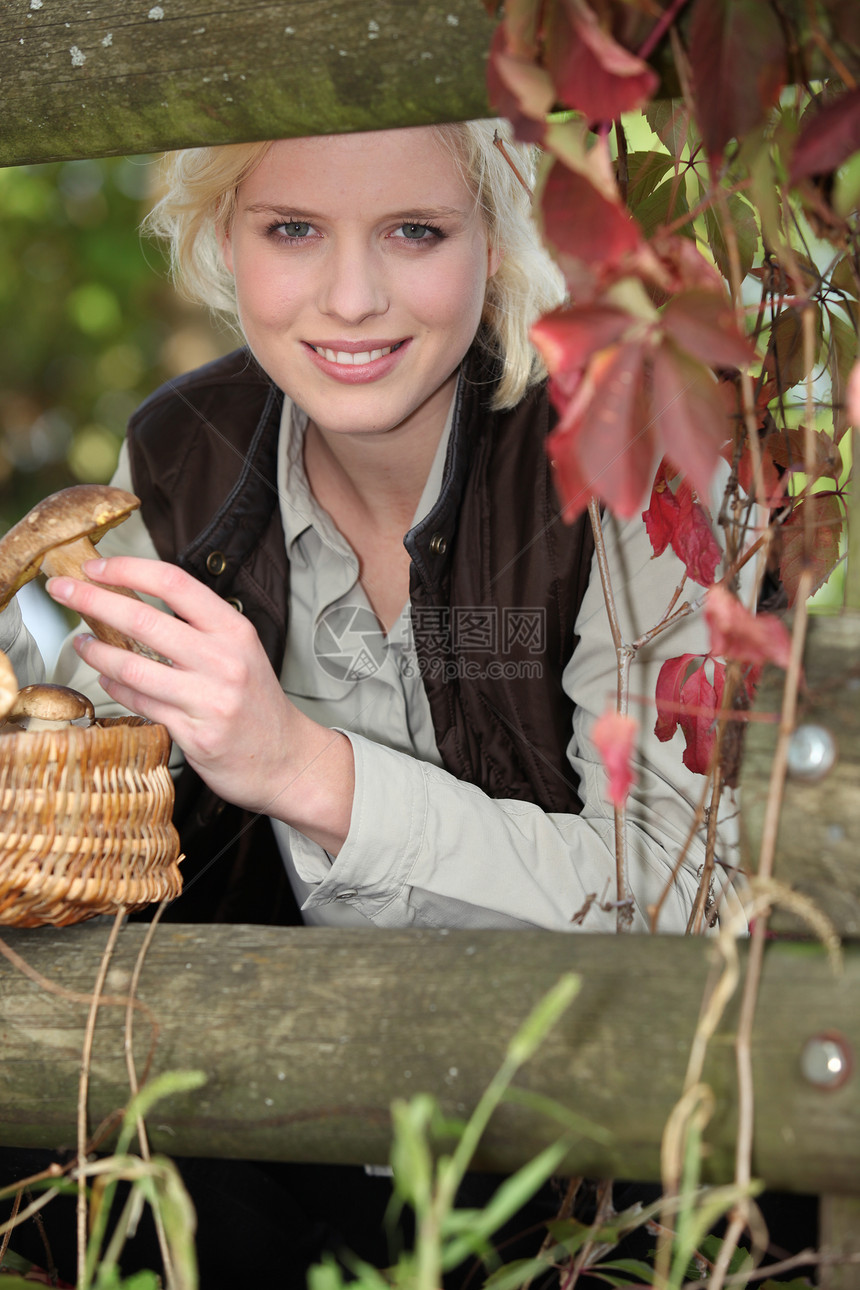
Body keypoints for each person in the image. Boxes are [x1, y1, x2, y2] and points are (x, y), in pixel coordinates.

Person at [5, 120, 754, 1284]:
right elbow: (94, 842)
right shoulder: (179, 457)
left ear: (497, 244)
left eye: (414, 231)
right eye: (292, 230)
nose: (350, 298)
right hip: (272, 1157)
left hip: (588, 1169)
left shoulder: (627, 454)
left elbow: (678, 893)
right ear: (223, 238)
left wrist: (307, 771)